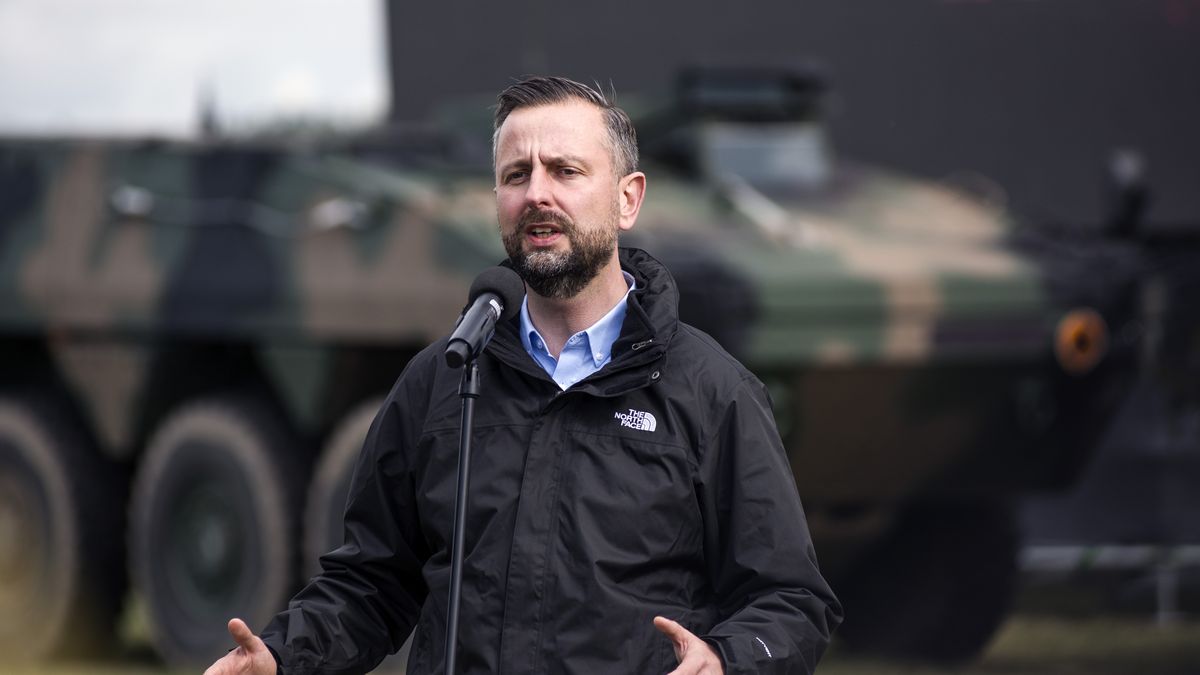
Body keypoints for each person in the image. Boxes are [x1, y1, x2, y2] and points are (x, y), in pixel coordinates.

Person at [204, 76, 841, 675]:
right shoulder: (444, 378)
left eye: (566, 171)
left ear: (628, 198)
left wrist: (727, 660)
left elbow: (792, 602)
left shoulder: (712, 392)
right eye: (516, 174)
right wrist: (282, 658)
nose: (537, 193)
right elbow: (372, 584)